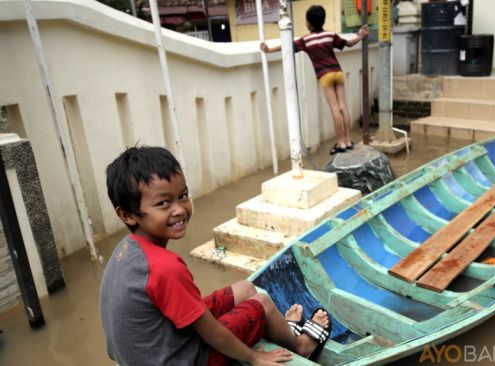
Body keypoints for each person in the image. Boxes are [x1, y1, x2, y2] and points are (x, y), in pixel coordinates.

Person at [99, 146, 331, 366]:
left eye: (182, 196)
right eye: (163, 203)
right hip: (184, 360)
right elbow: (210, 333)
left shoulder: (125, 249)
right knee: (262, 303)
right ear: (128, 215)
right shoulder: (164, 267)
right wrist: (254, 357)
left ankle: (283, 331)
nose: (179, 209)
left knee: (246, 288)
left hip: (148, 353)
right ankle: (301, 345)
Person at [260, 5, 369, 155]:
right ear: (323, 20)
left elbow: (286, 46)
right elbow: (349, 43)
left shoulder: (306, 40)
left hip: (325, 76)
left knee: (335, 109)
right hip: (338, 72)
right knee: (343, 107)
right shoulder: (330, 35)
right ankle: (349, 141)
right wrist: (361, 36)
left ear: (308, 23)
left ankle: (341, 143)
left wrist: (268, 49)